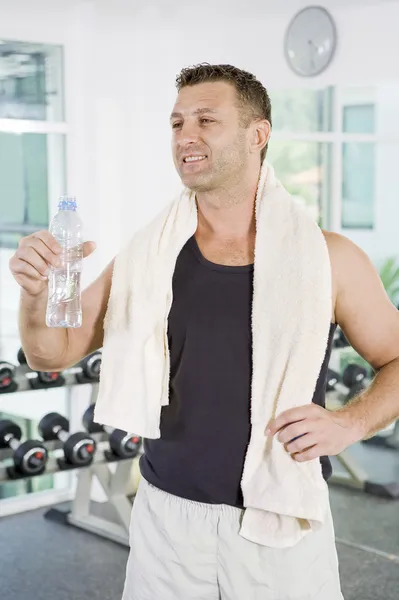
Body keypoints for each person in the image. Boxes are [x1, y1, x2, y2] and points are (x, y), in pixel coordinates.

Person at [9, 64, 399, 600]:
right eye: (176, 123)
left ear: (257, 135)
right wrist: (34, 295)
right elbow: (51, 351)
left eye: (206, 120)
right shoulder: (148, 257)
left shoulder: (328, 258)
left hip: (280, 524)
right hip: (167, 523)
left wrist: (349, 424)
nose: (184, 136)